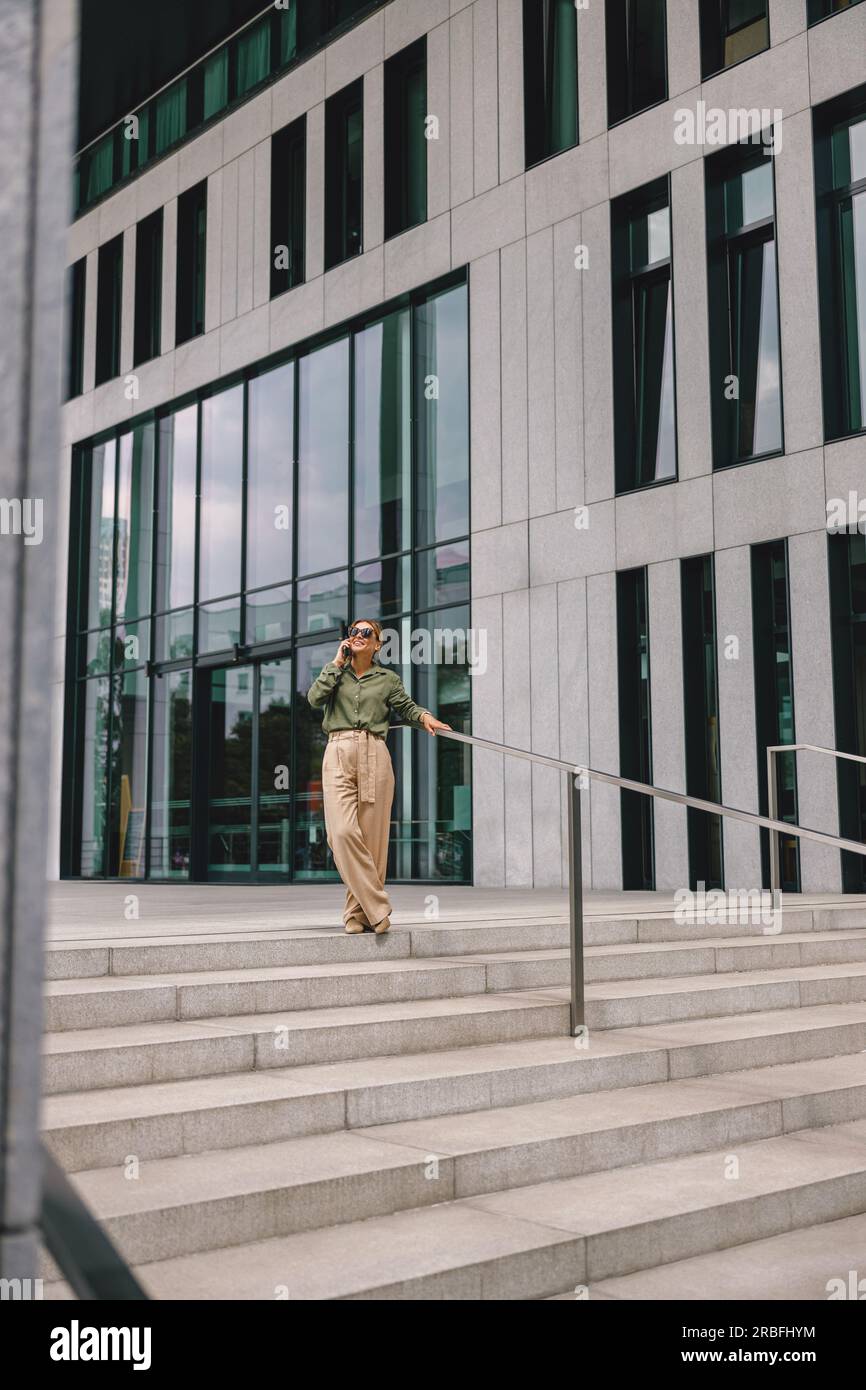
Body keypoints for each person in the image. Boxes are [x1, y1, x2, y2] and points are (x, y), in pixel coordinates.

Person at [307, 619, 451, 934]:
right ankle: (378, 907)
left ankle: (356, 915)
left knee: (372, 842)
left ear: (377, 644)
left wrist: (425, 716)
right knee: (342, 833)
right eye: (353, 632)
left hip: (375, 753)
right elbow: (314, 699)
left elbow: (406, 707)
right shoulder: (335, 674)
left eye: (365, 633)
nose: (358, 636)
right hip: (339, 751)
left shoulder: (387, 679)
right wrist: (336, 662)